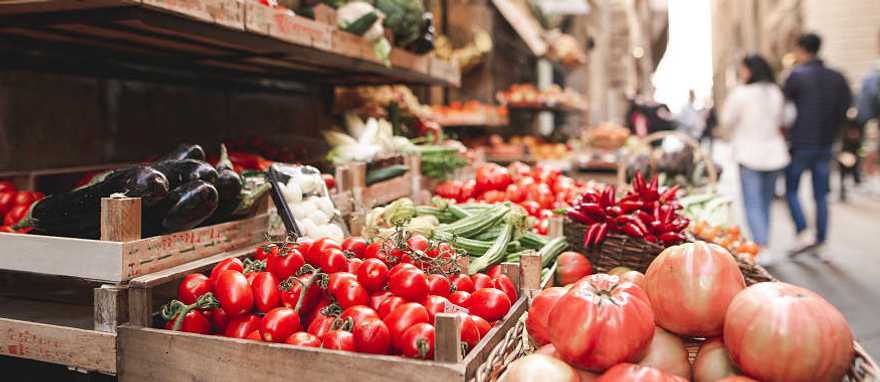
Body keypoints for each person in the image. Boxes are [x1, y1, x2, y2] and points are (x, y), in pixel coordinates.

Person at [782, 33, 852, 257]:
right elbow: (845, 110)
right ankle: (821, 241)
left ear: (802, 50)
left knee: (791, 190)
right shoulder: (837, 77)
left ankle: (803, 232)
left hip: (801, 144)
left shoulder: (796, 76)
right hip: (826, 144)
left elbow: (784, 109)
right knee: (821, 195)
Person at [720, 55, 790, 262]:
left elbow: (726, 120)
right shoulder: (775, 91)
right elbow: (785, 118)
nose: (741, 74)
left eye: (742, 70)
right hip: (774, 153)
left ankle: (761, 244)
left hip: (748, 153)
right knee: (765, 202)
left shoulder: (741, 93)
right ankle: (764, 241)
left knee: (752, 202)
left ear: (749, 70)